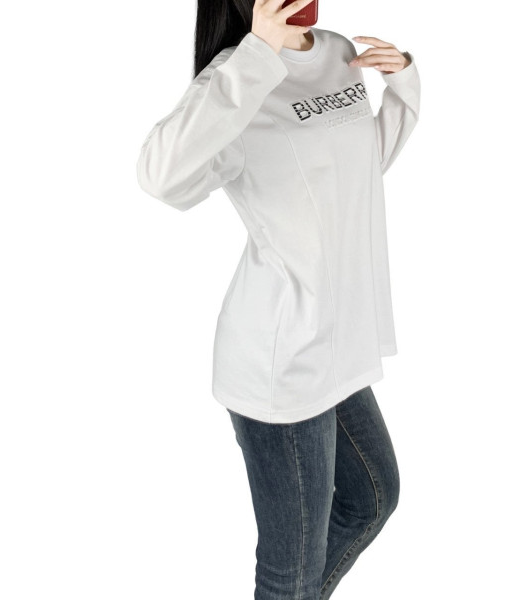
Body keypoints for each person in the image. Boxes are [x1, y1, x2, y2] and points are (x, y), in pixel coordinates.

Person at [136, 0, 421, 597]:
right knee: (288, 572)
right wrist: (257, 56)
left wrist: (402, 88)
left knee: (372, 498)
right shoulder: (235, 78)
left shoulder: (338, 52)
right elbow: (161, 176)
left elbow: (359, 174)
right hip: (281, 358)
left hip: (336, 342)